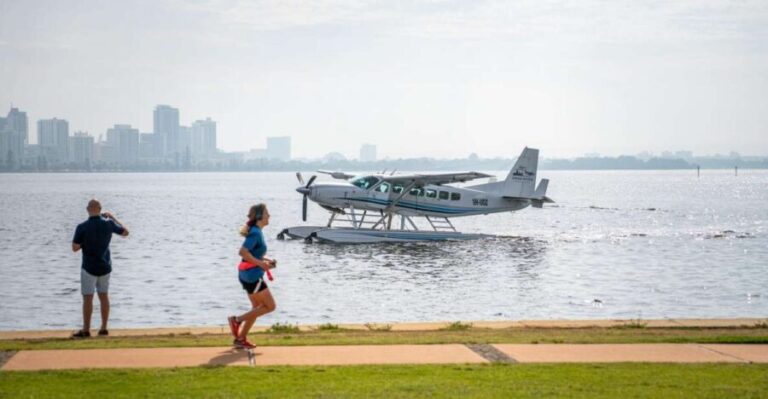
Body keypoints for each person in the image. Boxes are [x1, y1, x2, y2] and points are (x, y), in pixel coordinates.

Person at [71, 199, 129, 338]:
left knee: (88, 298)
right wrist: (113, 217)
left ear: (87, 209)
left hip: (89, 267)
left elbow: (75, 248)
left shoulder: (82, 227)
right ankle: (103, 328)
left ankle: (86, 330)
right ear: (100, 209)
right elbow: (125, 232)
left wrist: (85, 242)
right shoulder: (109, 224)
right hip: (105, 266)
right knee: (104, 296)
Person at [228, 203, 277, 349]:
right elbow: (243, 252)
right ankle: (237, 320)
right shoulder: (255, 232)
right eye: (267, 213)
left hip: (247, 274)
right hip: (252, 276)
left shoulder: (257, 231)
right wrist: (262, 265)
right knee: (270, 306)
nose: (269, 216)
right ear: (260, 216)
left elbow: (253, 254)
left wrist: (267, 261)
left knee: (256, 307)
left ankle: (240, 339)